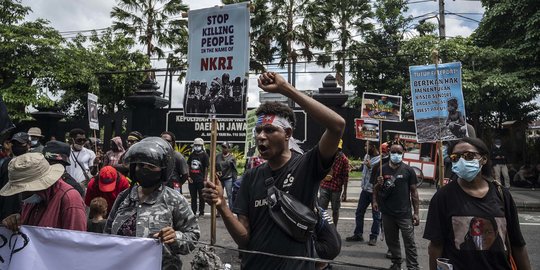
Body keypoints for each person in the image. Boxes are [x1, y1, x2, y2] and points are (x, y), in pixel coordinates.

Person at [202, 72, 345, 269]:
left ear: (287, 133)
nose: (261, 136)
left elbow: (337, 126)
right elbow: (244, 240)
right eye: (258, 131)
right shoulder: (251, 177)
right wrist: (222, 206)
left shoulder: (306, 165)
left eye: (269, 130)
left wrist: (285, 88)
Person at [424, 137, 531, 270]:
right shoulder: (443, 197)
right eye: (455, 157)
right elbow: (435, 246)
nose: (462, 161)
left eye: (469, 156)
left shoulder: (502, 194)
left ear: (484, 159)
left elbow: (518, 245)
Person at [105, 137, 200, 270]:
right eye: (141, 165)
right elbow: (108, 234)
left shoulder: (174, 199)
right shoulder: (124, 197)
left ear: (163, 170)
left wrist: (176, 237)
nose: (144, 170)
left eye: (151, 166)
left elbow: (193, 235)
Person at [1, 153, 87, 231]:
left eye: (23, 190)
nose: (21, 194)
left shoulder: (69, 199)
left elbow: (76, 243)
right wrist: (16, 221)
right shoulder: (33, 200)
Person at [373, 141, 420, 270]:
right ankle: (396, 263)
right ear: (389, 152)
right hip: (387, 213)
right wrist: (375, 201)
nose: (396, 155)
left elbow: (414, 192)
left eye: (399, 152)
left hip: (404, 214)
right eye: (393, 152)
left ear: (403, 153)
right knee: (392, 241)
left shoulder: (408, 170)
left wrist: (416, 212)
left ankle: (413, 267)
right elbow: (375, 188)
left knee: (409, 242)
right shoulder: (382, 169)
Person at [346, 142, 381, 246]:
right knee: (359, 212)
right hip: (365, 191)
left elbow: (378, 174)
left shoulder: (380, 160)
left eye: (367, 146)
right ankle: (358, 234)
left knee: (376, 216)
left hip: (375, 192)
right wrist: (355, 167)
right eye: (364, 145)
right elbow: (363, 167)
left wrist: (371, 167)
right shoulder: (367, 155)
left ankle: (374, 237)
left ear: (373, 146)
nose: (365, 148)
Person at [0, 132, 31, 220]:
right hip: (4, 210)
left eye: (20, 144)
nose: (16, 146)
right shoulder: (5, 163)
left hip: (22, 212)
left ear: (29, 145)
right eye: (14, 143)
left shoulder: (33, 164)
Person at [318, 139, 349, 226]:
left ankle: (334, 228)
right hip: (325, 185)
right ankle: (320, 227)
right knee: (321, 209)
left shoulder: (344, 160)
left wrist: (345, 192)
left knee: (335, 210)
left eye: (337, 148)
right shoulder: (326, 156)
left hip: (336, 188)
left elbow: (345, 177)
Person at [188, 137, 209, 217]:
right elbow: (188, 164)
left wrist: (205, 179)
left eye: (199, 145)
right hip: (192, 180)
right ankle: (193, 212)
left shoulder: (205, 155)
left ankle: (201, 212)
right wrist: (189, 176)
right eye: (196, 145)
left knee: (201, 197)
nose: (197, 147)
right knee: (193, 197)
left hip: (200, 180)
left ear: (202, 146)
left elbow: (206, 167)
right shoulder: (192, 155)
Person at [216, 141, 237, 208]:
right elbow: (214, 166)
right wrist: (215, 173)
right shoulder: (218, 156)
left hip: (228, 178)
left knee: (229, 195)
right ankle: (219, 211)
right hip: (220, 178)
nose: (223, 149)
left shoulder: (232, 158)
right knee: (219, 194)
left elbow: (234, 170)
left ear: (228, 148)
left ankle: (231, 209)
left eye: (225, 147)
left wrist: (235, 180)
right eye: (222, 147)